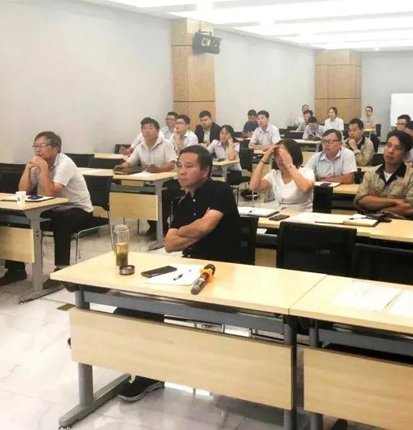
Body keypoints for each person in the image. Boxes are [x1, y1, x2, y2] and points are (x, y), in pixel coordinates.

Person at [117, 145, 241, 403]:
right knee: (140, 297)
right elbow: (170, 244)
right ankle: (143, 367)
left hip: (223, 271)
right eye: (179, 166)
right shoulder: (183, 200)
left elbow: (205, 226)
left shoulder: (220, 191)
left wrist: (192, 231)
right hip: (188, 268)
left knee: (147, 306)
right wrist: (195, 231)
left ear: (205, 171)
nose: (181, 171)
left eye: (188, 166)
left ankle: (144, 366)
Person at [0, 132, 93, 287]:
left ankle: (61, 271)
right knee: (19, 218)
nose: (37, 150)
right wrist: (28, 169)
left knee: (62, 219)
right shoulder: (37, 164)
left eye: (42, 145)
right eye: (35, 146)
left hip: (78, 208)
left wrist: (44, 168)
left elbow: (51, 192)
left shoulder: (65, 164)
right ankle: (16, 269)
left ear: (55, 148)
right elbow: (23, 190)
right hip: (53, 207)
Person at [118, 118, 178, 239]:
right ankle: (153, 225)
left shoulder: (166, 144)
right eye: (144, 128)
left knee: (163, 196)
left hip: (168, 181)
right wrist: (121, 166)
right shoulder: (140, 147)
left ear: (157, 130)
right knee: (144, 196)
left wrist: (158, 169)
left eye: (150, 128)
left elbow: (171, 164)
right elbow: (130, 162)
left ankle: (162, 227)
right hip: (150, 182)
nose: (147, 131)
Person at [354, 130, 413, 219]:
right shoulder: (371, 173)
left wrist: (378, 210)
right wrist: (394, 201)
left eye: (397, 148)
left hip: (400, 224)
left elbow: (411, 208)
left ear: (405, 153)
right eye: (389, 145)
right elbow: (362, 200)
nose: (391, 151)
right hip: (371, 223)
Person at [249, 140, 315, 211]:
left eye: (283, 155)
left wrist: (289, 165)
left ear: (293, 155)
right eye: (277, 155)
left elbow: (305, 188)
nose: (280, 159)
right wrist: (263, 159)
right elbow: (253, 187)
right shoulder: (274, 174)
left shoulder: (306, 172)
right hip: (280, 213)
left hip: (302, 213)